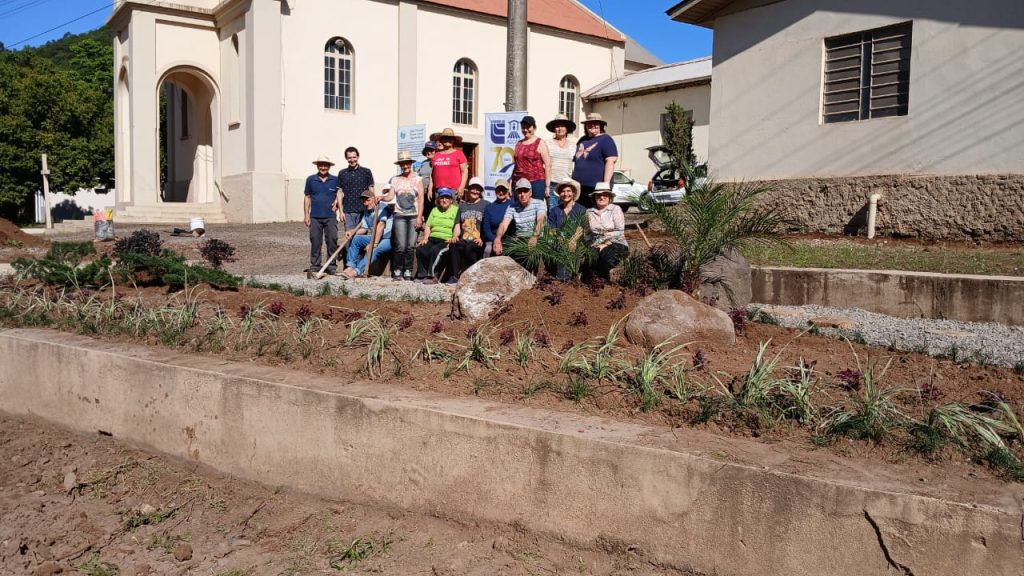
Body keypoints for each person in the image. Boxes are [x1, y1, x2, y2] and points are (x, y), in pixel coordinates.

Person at [493, 178, 546, 270]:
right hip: (520, 240)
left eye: (525, 191)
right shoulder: (512, 207)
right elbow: (504, 224)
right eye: (520, 192)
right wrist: (497, 239)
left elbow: (541, 220)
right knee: (500, 250)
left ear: (530, 192)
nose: (522, 195)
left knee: (531, 257)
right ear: (516, 194)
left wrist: (534, 236)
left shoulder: (539, 204)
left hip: (536, 237)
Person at [340, 188, 393, 279]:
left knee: (374, 250)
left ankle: (357, 271)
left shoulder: (382, 207)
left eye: (368, 200)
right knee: (356, 238)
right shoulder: (367, 211)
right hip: (375, 237)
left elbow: (380, 226)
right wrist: (352, 232)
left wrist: (373, 244)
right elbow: (364, 229)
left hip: (387, 239)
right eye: (364, 201)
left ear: (374, 199)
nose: (365, 203)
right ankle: (350, 266)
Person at [303, 155, 342, 275]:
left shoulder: (335, 179)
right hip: (315, 217)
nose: (323, 167)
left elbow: (340, 194)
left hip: (330, 216)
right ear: (317, 166)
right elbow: (307, 197)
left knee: (332, 240)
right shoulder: (310, 179)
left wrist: (338, 205)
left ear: (329, 166)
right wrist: (306, 215)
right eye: (321, 165)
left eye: (326, 165)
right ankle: (315, 265)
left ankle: (331, 266)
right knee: (315, 241)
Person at [571, 113, 618, 209]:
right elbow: (575, 160)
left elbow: (611, 160)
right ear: (585, 126)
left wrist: (606, 184)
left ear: (601, 126)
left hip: (596, 187)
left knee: (597, 213)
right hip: (579, 186)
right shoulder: (582, 140)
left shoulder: (606, 139)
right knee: (580, 213)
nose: (592, 125)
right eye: (590, 123)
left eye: (596, 123)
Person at [448, 177, 490, 283]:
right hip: (464, 238)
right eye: (473, 188)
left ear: (481, 191)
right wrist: (455, 236)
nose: (475, 191)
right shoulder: (462, 206)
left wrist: (482, 238)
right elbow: (458, 223)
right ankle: (455, 276)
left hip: (478, 240)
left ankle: (473, 276)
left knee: (470, 248)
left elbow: (487, 225)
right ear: (469, 189)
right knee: (454, 245)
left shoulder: (486, 205)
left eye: (478, 189)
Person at [390, 151, 423, 281]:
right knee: (401, 245)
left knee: (411, 246)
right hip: (400, 215)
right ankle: (397, 269)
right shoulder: (395, 179)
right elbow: (390, 195)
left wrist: (419, 217)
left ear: (411, 163)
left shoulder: (418, 179)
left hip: (414, 215)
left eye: (407, 163)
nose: (405, 166)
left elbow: (421, 200)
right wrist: (381, 197)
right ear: (400, 165)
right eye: (402, 164)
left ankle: (408, 270)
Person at [585, 182, 628, 281]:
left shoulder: (615, 209)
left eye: (605, 195)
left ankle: (606, 283)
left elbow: (620, 231)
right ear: (594, 197)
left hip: (616, 242)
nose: (601, 197)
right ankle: (593, 284)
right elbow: (587, 233)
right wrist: (588, 244)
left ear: (609, 197)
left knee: (606, 259)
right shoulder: (589, 212)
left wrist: (605, 242)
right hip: (596, 243)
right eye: (598, 195)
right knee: (590, 260)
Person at [415, 187, 458, 284]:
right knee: (421, 249)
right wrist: (425, 238)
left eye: (447, 198)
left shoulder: (456, 210)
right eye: (442, 197)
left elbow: (457, 225)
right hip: (432, 238)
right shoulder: (434, 210)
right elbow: (428, 225)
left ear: (451, 200)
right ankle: (422, 275)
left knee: (435, 250)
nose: (444, 200)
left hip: (446, 239)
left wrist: (454, 237)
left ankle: (432, 276)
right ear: (438, 199)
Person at [547, 178, 586, 281]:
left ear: (573, 193)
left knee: (573, 249)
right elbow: (551, 229)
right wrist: (560, 239)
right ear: (560, 194)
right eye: (563, 191)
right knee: (562, 248)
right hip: (560, 240)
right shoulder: (555, 210)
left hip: (577, 241)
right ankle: (562, 279)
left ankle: (571, 277)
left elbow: (581, 228)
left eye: (568, 191)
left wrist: (573, 240)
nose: (565, 194)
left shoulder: (580, 209)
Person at [511, 115, 551, 204]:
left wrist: (547, 186)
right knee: (518, 208)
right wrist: (511, 182)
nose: (525, 130)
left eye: (528, 127)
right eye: (523, 127)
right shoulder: (518, 144)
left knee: (536, 207)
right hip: (519, 182)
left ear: (534, 128)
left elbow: (548, 165)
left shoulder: (540, 143)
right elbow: (516, 164)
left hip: (536, 182)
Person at [337, 146, 375, 231]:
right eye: (349, 158)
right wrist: (341, 211)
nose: (352, 160)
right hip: (348, 211)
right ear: (346, 158)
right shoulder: (342, 173)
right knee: (349, 235)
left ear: (358, 157)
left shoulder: (366, 171)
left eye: (354, 157)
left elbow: (371, 189)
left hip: (363, 210)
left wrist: (372, 205)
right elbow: (339, 192)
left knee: (361, 235)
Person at [545, 114, 577, 211]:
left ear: (567, 129)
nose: (560, 128)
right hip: (552, 183)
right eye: (557, 126)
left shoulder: (573, 145)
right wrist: (546, 186)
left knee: (567, 211)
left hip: (567, 184)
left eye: (562, 126)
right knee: (553, 211)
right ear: (554, 129)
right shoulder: (547, 143)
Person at [429, 128, 468, 200]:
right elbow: (432, 174)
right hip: (438, 190)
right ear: (442, 140)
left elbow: (464, 172)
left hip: (454, 190)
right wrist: (430, 189)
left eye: (450, 138)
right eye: (445, 138)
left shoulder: (459, 154)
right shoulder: (436, 155)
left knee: (454, 207)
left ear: (453, 140)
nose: (448, 140)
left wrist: (462, 187)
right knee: (438, 207)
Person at [481, 179, 514, 257]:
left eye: (503, 190)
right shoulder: (489, 207)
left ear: (507, 191)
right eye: (499, 189)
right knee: (487, 250)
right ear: (495, 190)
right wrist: (496, 240)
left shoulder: (513, 205)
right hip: (493, 238)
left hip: (509, 239)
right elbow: (487, 230)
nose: (501, 192)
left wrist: (502, 242)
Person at [416, 141, 437, 221]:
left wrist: (430, 189)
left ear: (436, 151)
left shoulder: (437, 162)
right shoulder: (423, 163)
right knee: (424, 212)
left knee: (432, 213)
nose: (429, 152)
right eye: (427, 150)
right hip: (422, 191)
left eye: (431, 150)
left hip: (432, 192)